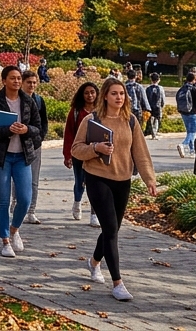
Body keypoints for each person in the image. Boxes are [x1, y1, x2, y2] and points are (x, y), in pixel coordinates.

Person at [71, 77, 158, 301]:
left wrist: (149, 178)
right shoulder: (92, 120)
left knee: (113, 229)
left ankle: (93, 262)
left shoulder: (130, 121)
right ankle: (117, 283)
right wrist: (95, 148)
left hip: (123, 179)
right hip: (97, 178)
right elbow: (76, 149)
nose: (119, 97)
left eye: (122, 94)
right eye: (114, 94)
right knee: (110, 229)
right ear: (105, 97)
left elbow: (140, 152)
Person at [0, 66, 43, 256]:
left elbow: (38, 129)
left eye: (19, 78)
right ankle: (5, 241)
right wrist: (8, 129)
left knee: (25, 199)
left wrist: (26, 130)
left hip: (22, 156)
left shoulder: (28, 102)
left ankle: (15, 229)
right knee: (3, 200)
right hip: (1, 158)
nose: (17, 81)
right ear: (4, 81)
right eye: (12, 78)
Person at [64, 81, 100, 224]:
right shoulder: (76, 112)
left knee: (95, 184)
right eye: (86, 93)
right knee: (80, 182)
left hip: (97, 152)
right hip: (79, 153)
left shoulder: (102, 111)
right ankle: (77, 203)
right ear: (82, 95)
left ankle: (94, 214)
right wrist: (68, 155)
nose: (90, 95)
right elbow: (69, 133)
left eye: (92, 92)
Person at [18, 73, 49, 225]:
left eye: (34, 82)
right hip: (18, 144)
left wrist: (40, 137)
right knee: (18, 178)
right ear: (22, 83)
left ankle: (31, 211)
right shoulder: (16, 99)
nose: (32, 85)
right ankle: (17, 204)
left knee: (34, 179)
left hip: (35, 143)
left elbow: (44, 122)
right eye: (29, 82)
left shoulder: (39, 100)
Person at [175, 71, 196, 158]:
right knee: (193, 132)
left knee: (189, 132)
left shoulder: (182, 89)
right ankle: (184, 144)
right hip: (193, 112)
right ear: (194, 79)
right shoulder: (194, 89)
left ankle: (192, 151)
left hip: (184, 112)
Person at [144, 74, 164, 139]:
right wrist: (162, 105)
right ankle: (154, 133)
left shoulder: (148, 88)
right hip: (158, 107)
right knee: (157, 120)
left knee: (151, 120)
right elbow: (162, 98)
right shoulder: (160, 88)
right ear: (158, 80)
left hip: (150, 106)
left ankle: (152, 132)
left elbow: (146, 98)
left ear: (151, 79)